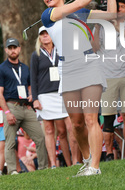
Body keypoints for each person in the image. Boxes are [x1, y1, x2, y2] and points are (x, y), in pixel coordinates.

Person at [36, 0, 116, 176]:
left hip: (89, 64)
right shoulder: (48, 15)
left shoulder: (82, 13)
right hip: (66, 68)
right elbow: (79, 3)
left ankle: (95, 167)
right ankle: (88, 159)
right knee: (77, 124)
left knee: (90, 119)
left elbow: (112, 14)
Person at [94, 0, 125, 160]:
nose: (117, 10)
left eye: (121, 7)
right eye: (115, 7)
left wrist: (117, 26)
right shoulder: (100, 27)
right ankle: (109, 154)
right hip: (107, 77)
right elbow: (94, 48)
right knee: (108, 117)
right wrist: (99, 25)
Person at [0, 38, 48, 175]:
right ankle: (13, 171)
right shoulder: (1, 69)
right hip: (11, 106)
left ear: (19, 49)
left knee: (40, 137)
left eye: (15, 47)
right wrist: (6, 112)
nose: (13, 50)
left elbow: (30, 87)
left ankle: (43, 168)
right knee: (10, 142)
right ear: (6, 50)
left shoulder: (24, 68)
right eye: (10, 48)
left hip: (26, 107)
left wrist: (31, 97)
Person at [30, 26, 78, 167]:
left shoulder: (62, 50)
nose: (45, 36)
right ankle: (53, 164)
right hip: (45, 95)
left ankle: (75, 161)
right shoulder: (36, 54)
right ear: (39, 37)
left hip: (63, 92)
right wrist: (35, 99)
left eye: (47, 33)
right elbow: (33, 78)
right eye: (42, 34)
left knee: (71, 127)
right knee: (49, 130)